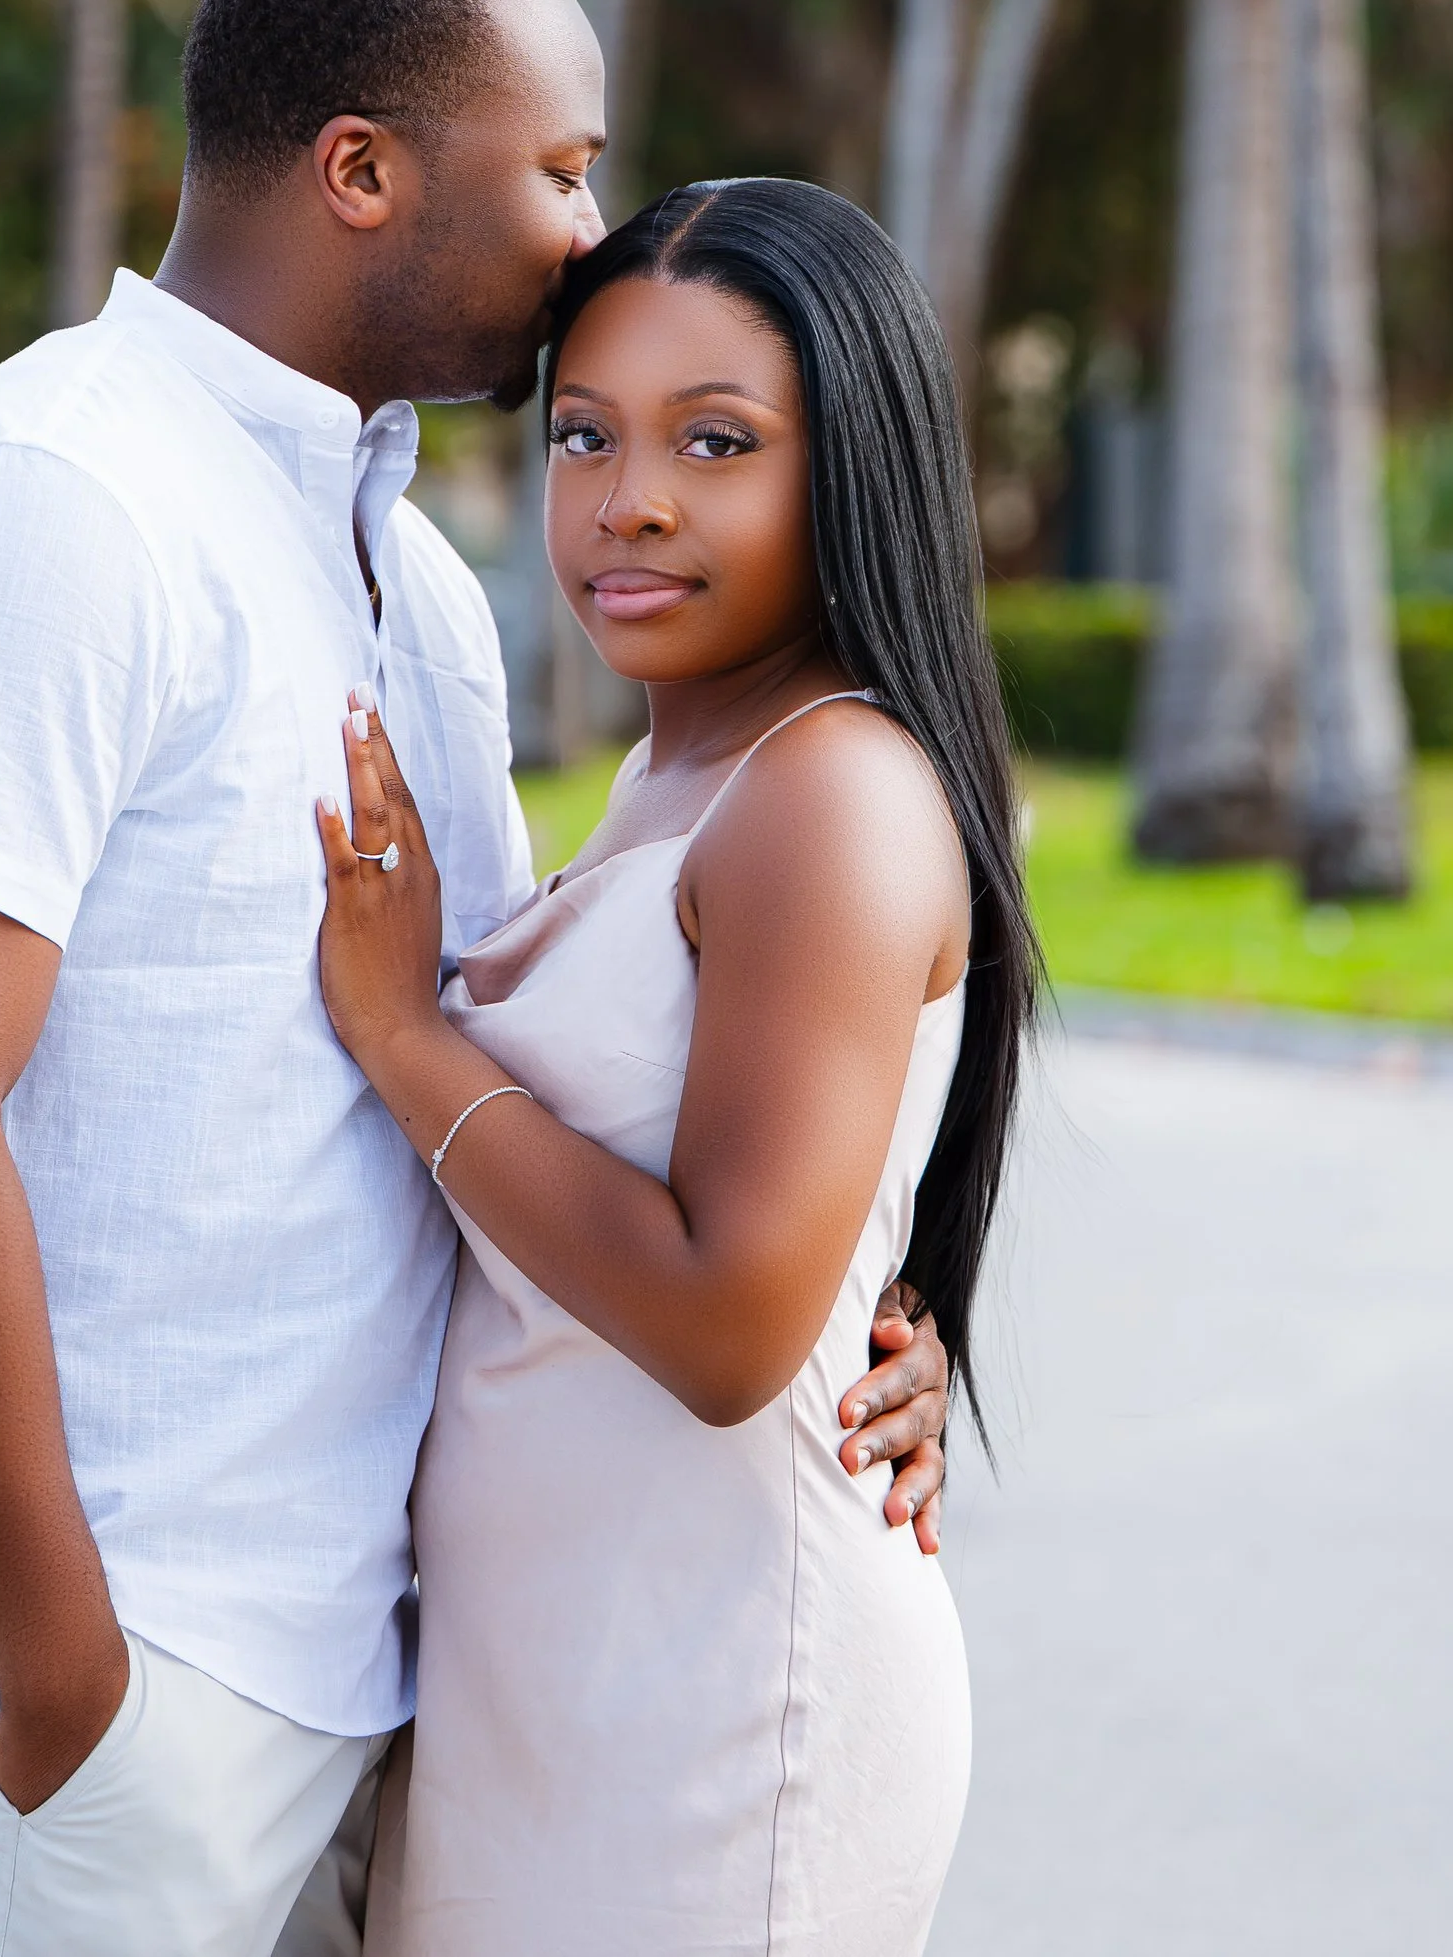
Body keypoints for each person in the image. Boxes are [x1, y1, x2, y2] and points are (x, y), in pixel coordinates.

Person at [0, 0, 953, 1957]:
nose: (589, 228)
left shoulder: (412, 579)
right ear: (363, 169)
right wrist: (60, 1668)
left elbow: (558, 1070)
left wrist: (857, 1302)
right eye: (557, 167)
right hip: (103, 1636)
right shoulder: (56, 493)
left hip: (352, 1662)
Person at [315, 174, 1040, 1957]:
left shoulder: (831, 793)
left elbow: (730, 1328)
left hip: (718, 1709)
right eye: (584, 436)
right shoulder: (682, 776)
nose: (626, 503)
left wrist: (407, 1034)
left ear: (851, 466)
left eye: (717, 443)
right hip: (558, 1675)